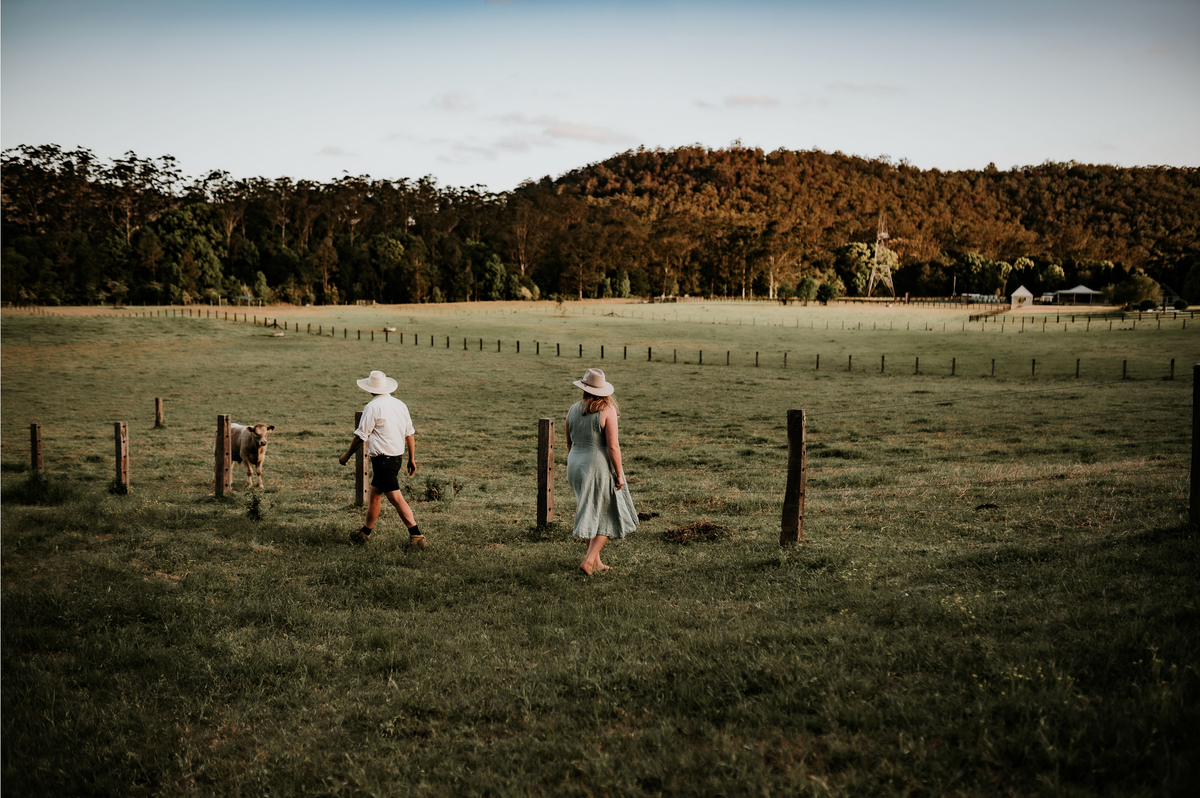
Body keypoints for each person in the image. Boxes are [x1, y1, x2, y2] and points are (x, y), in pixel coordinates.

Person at [338, 370, 427, 549]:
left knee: (395, 498)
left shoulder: (372, 407)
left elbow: (361, 436)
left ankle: (416, 535)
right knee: (375, 496)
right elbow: (409, 434)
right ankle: (364, 534)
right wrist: (412, 459)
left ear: (370, 389)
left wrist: (346, 455)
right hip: (395, 459)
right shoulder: (400, 404)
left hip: (383, 460)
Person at [565, 368, 637, 575]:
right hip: (597, 465)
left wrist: (577, 462)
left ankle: (596, 562)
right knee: (607, 513)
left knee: (590, 509)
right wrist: (619, 473)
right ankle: (588, 561)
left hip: (575, 464)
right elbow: (613, 446)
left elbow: (569, 443)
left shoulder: (572, 409)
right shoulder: (607, 410)